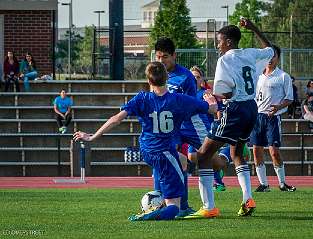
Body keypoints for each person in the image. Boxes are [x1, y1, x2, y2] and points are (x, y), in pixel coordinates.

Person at [73, 62, 218, 221]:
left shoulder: (141, 98)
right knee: (174, 206)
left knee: (182, 162)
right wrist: (212, 102)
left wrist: (93, 136)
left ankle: (158, 201)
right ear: (167, 78)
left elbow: (116, 119)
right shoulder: (179, 99)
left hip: (147, 150)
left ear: (149, 81)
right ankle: (152, 214)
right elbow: (211, 109)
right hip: (164, 152)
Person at [185, 18, 274, 218]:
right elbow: (270, 50)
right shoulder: (250, 53)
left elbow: (224, 92)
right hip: (252, 108)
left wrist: (210, 99)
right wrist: (254, 28)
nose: (218, 45)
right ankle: (247, 199)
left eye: (220, 41)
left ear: (229, 42)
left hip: (234, 109)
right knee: (237, 154)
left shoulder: (225, 60)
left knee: (204, 156)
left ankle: (209, 207)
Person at [155, 38, 224, 217]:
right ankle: (174, 204)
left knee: (207, 157)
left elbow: (190, 104)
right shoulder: (155, 74)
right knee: (167, 160)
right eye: (159, 56)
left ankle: (229, 161)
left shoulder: (185, 76)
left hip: (192, 124)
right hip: (170, 126)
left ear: (174, 56)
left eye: (165, 57)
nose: (162, 61)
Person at [250, 45, 296, 193]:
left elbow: (289, 99)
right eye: (268, 56)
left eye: (273, 56)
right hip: (257, 117)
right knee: (256, 150)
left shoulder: (283, 76)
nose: (270, 59)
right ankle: (264, 184)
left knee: (274, 151)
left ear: (278, 58)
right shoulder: (257, 75)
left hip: (273, 118)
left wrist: (278, 107)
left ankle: (282, 183)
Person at [190, 65, 227, 192]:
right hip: (190, 130)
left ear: (202, 80)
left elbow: (217, 109)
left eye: (198, 77)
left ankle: (219, 180)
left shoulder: (206, 93)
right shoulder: (186, 93)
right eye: (192, 77)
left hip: (204, 129)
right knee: (192, 157)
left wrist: (218, 120)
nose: (195, 79)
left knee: (207, 157)